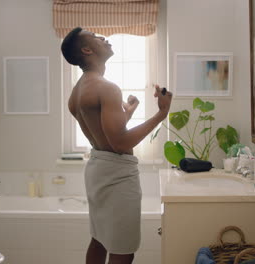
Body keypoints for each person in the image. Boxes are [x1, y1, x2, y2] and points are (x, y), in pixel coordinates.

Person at [61, 27, 172, 264]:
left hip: (98, 168)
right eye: (97, 37)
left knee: (100, 238)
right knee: (123, 247)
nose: (105, 38)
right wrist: (161, 114)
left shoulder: (77, 91)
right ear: (87, 49)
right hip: (117, 174)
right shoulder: (106, 87)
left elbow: (102, 135)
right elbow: (120, 144)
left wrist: (127, 114)